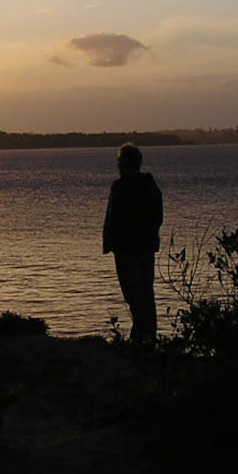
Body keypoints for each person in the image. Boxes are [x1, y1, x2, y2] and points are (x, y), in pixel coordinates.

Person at [102, 143, 164, 342]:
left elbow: (115, 218)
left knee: (135, 294)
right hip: (143, 247)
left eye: (119, 161)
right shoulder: (149, 186)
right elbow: (157, 217)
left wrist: (113, 241)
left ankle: (142, 339)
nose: (117, 165)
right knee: (145, 293)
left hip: (128, 249)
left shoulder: (122, 188)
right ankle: (146, 337)